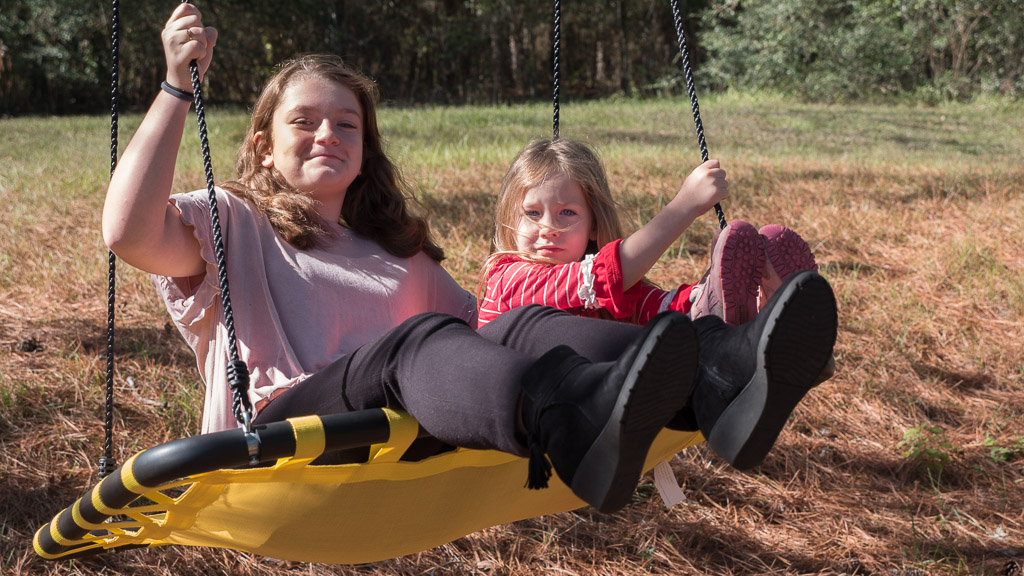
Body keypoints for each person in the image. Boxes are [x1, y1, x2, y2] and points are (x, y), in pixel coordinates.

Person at [102, 4, 838, 515]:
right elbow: (129, 232)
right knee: (416, 342)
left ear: (365, 150)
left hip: (400, 441)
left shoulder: (396, 255)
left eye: (346, 124)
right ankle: (572, 420)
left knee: (518, 322)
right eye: (305, 120)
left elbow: (495, 330)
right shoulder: (232, 222)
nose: (327, 134)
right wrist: (176, 88)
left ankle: (718, 374)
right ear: (264, 146)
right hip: (283, 450)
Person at [479, 138, 819, 328]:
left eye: (567, 213)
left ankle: (759, 312)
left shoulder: (610, 292)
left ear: (594, 224)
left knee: (667, 314)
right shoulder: (507, 278)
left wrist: (714, 289)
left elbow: (656, 306)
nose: (548, 229)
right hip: (523, 408)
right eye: (532, 213)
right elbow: (601, 277)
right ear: (510, 218)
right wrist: (684, 205)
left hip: (591, 401)